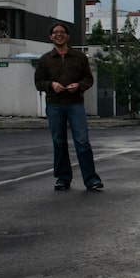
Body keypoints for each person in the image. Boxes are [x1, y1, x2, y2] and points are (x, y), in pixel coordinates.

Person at [34, 22, 103, 191]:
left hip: (75, 105)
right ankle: (63, 178)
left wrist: (78, 86)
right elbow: (38, 83)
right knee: (59, 142)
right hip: (55, 105)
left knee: (82, 141)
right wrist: (52, 85)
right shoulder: (45, 59)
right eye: (55, 32)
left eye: (62, 32)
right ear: (51, 37)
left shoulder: (79, 57)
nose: (59, 35)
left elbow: (89, 79)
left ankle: (91, 179)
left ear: (67, 36)